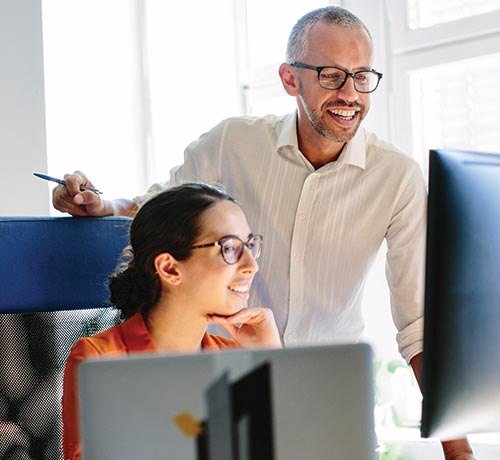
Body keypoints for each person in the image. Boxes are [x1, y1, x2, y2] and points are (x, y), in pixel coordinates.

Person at [54, 7, 475, 459]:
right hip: (232, 382)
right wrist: (102, 205)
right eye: (332, 76)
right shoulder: (232, 143)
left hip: (323, 408)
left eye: (362, 76)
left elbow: (418, 326)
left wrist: (459, 450)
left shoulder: (397, 177)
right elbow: (163, 205)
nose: (351, 94)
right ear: (290, 79)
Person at [61, 183, 281, 460]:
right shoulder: (101, 361)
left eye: (250, 245)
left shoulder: (233, 357)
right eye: (229, 248)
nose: (252, 265)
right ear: (169, 268)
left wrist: (271, 362)